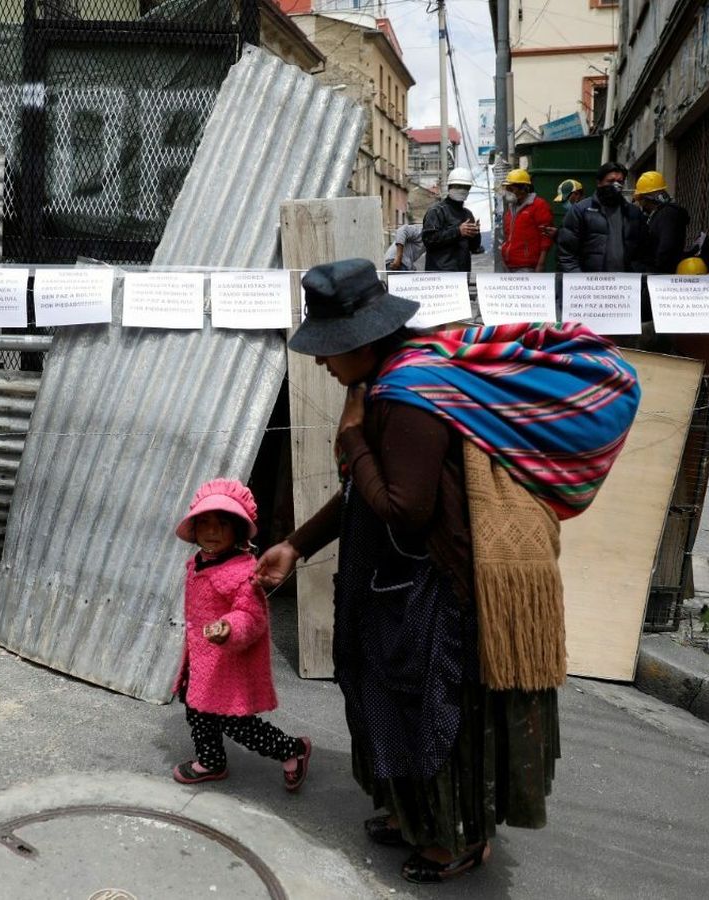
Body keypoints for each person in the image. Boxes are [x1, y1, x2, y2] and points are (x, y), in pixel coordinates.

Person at [255, 259, 640, 885]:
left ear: (364, 340)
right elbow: (363, 496)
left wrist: (353, 442)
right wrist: (296, 546)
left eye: (328, 346)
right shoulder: (395, 377)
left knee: (439, 712)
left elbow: (406, 511)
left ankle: (457, 837)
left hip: (440, 585)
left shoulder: (406, 395)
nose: (321, 360)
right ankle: (416, 816)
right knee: (396, 698)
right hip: (408, 578)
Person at [170, 479, 312, 791]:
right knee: (197, 712)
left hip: (227, 665)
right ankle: (211, 761)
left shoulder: (244, 573)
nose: (212, 531)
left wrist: (229, 627)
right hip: (200, 663)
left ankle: (293, 750)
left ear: (237, 530)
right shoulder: (197, 563)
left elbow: (252, 617)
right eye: (204, 522)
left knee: (238, 725)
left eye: (222, 523)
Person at [556, 161, 647, 274]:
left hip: (625, 282)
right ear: (599, 183)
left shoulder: (633, 213)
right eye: (610, 181)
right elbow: (566, 255)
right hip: (590, 282)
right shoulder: (580, 211)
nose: (616, 185)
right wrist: (579, 280)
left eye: (620, 182)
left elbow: (644, 252)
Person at [422, 167, 482, 272]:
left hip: (462, 273)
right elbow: (429, 240)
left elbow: (474, 247)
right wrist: (458, 231)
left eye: (465, 187)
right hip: (440, 274)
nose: (462, 190)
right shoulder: (436, 211)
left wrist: (475, 234)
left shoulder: (468, 214)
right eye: (458, 186)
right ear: (450, 187)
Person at [632, 171, 690, 276]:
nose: (639, 203)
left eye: (640, 198)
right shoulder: (660, 214)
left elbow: (666, 248)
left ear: (647, 198)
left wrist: (653, 270)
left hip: (659, 276)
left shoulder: (667, 214)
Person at [499, 168, 553, 273]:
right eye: (507, 189)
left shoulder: (539, 205)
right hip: (508, 265)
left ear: (523, 188)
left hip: (528, 266)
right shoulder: (511, 208)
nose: (508, 192)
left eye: (511, 189)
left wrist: (540, 264)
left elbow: (546, 237)